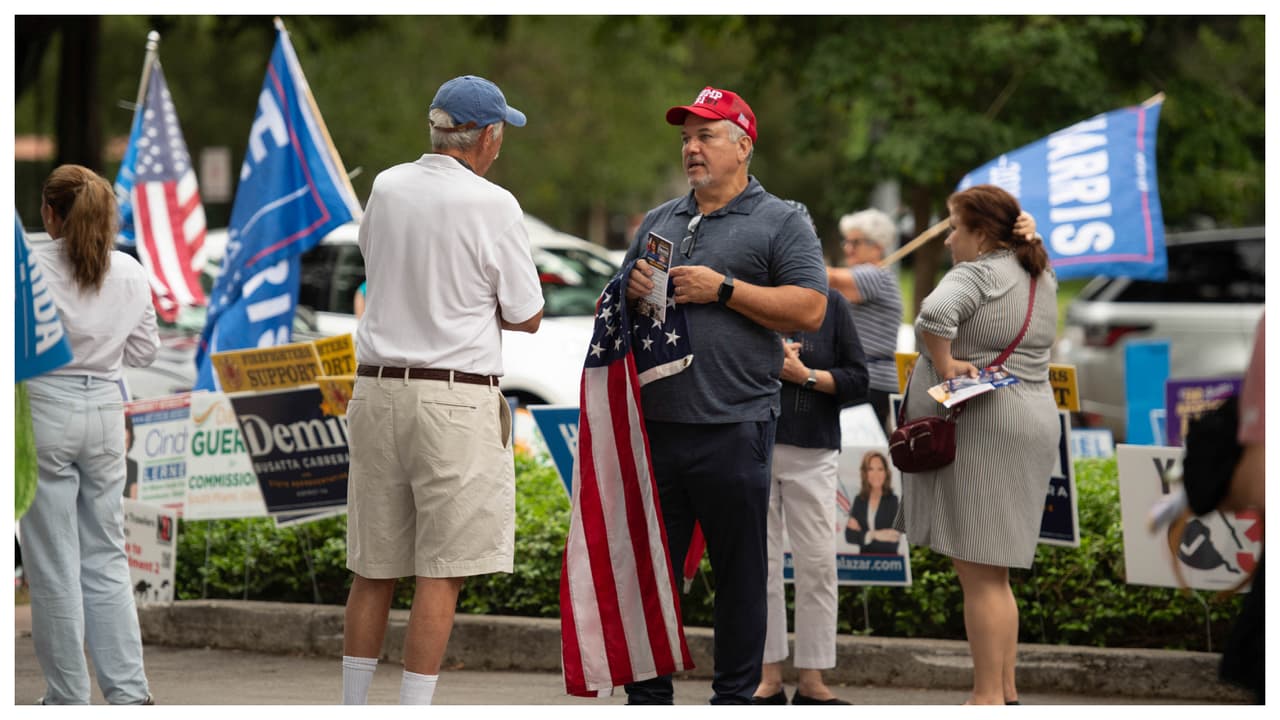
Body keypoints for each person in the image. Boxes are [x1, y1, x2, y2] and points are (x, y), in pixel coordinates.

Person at [622, 86, 829, 705]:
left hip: (735, 425)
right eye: (686, 137)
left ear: (743, 145)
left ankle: (734, 701)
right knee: (650, 578)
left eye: (705, 135)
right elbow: (623, 310)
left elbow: (811, 308)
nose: (691, 148)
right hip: (658, 427)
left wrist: (724, 289)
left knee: (740, 578)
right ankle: (648, 698)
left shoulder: (782, 220)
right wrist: (632, 291)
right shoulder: (659, 221)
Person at [341, 75, 543, 706]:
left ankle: (351, 709)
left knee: (373, 567)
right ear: (486, 135)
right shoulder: (495, 204)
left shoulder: (388, 185)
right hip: (453, 398)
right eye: (499, 131)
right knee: (442, 569)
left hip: (377, 391)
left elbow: (375, 265)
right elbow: (527, 311)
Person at [897, 184, 1057, 705]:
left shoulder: (978, 272)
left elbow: (932, 315)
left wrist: (944, 365)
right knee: (996, 571)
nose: (947, 240)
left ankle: (985, 698)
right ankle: (1005, 690)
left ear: (981, 233)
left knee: (980, 575)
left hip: (984, 423)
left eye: (953, 227)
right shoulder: (1040, 270)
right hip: (1032, 415)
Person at [21, 164, 159, 704]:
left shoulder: (27, 268)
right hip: (105, 408)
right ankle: (129, 693)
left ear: (50, 214)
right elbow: (146, 351)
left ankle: (67, 698)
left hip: (45, 407)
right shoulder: (127, 270)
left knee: (53, 565)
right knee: (106, 557)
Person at [753, 268, 867, 705]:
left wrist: (806, 375)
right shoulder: (750, 298)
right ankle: (768, 677)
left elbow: (858, 379)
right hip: (754, 446)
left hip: (815, 451)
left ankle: (813, 680)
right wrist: (768, 361)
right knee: (759, 566)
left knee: (817, 565)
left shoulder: (832, 305)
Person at [825, 209, 903, 435]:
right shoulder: (874, 275)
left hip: (870, 381)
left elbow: (830, 278)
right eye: (846, 242)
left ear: (877, 246)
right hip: (867, 380)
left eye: (855, 242)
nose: (847, 248)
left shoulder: (874, 276)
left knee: (859, 458)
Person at [844, 450, 901, 554]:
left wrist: (863, 535)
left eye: (880, 469)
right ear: (865, 473)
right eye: (871, 469)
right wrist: (875, 535)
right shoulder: (859, 500)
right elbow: (849, 536)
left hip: (888, 563)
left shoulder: (893, 501)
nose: (876, 474)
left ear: (886, 473)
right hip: (863, 563)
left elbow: (893, 540)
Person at [123, 414, 139, 499]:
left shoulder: (132, 466)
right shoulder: (106, 464)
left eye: (127, 441)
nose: (124, 446)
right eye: (122, 441)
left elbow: (134, 498)